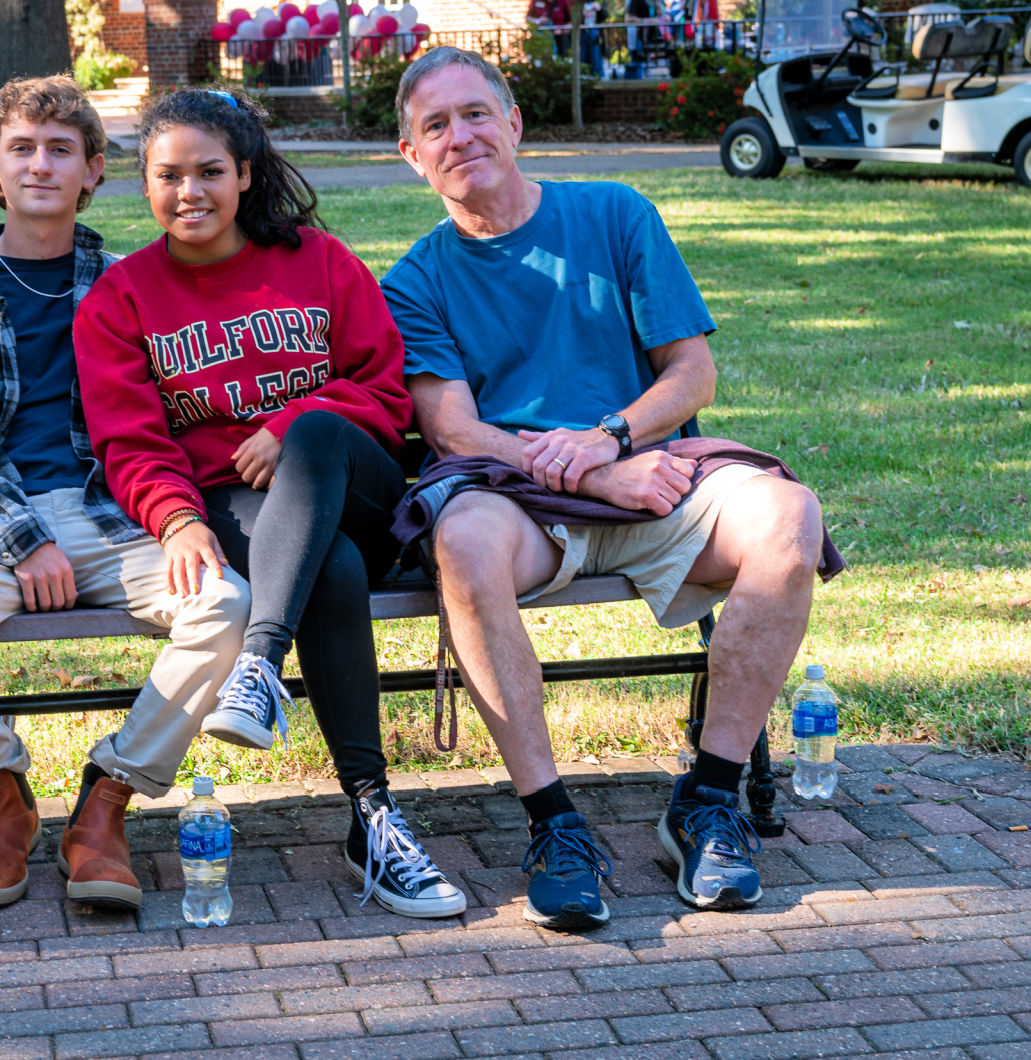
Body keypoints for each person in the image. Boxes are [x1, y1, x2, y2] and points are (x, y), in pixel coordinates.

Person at [382, 48, 830, 930]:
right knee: (462, 539)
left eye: (476, 113)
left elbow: (692, 374)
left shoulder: (615, 213)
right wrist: (594, 471)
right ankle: (554, 826)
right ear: (411, 155)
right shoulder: (416, 280)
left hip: (655, 475)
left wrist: (612, 438)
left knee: (789, 514)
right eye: (436, 126)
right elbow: (454, 432)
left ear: (514, 124)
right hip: (522, 504)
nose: (460, 136)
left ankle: (707, 799)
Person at [73, 88, 466, 920]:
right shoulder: (123, 298)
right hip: (236, 508)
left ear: (245, 174)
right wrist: (177, 517)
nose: (190, 192)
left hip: (357, 480)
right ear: (143, 185)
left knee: (318, 436)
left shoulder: (319, 261)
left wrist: (289, 425)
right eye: (168, 175)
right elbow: (130, 443)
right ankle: (374, 819)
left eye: (210, 171)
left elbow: (387, 392)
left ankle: (257, 666)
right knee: (334, 570)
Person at [0, 76, 250, 913]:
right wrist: (25, 541)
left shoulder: (134, 286)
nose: (40, 165)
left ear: (92, 172)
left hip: (115, 519)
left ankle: (108, 796)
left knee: (226, 606)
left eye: (61, 150)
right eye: (22, 149)